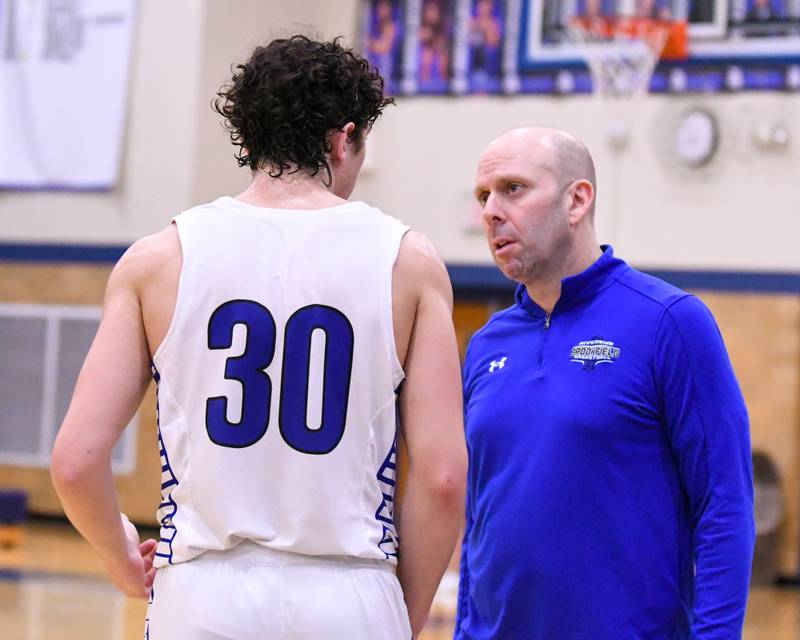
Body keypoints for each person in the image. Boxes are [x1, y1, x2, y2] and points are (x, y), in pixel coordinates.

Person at [51, 35, 466, 640]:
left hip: (201, 594)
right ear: (343, 138)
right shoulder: (410, 261)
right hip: (350, 589)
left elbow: (74, 462)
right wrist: (403, 613)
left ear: (247, 139)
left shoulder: (157, 258)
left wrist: (121, 556)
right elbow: (443, 478)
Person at [455, 127, 754, 639]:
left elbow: (725, 506)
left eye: (514, 188)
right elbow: (480, 517)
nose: (490, 211)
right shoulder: (487, 345)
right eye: (484, 195)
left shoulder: (670, 322)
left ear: (577, 200)